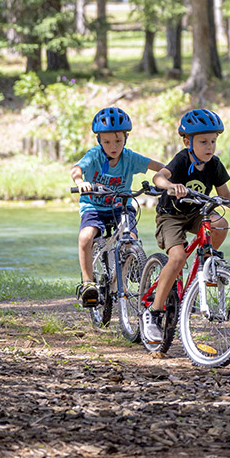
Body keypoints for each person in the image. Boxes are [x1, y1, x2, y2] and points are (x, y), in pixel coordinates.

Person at [142, 108, 230, 343]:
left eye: (213, 141)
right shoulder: (182, 159)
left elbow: (225, 194)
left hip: (197, 213)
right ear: (188, 141)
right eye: (203, 142)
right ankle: (153, 313)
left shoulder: (214, 164)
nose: (210, 147)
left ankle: (204, 266)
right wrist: (170, 186)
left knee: (221, 224)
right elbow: (158, 177)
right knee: (176, 259)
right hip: (171, 216)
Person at [71, 106, 165, 307]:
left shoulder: (129, 158)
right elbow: (77, 169)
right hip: (94, 207)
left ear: (126, 138)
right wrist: (80, 182)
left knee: (131, 240)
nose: (113, 146)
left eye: (118, 141)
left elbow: (158, 167)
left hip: (122, 206)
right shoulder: (94, 156)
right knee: (85, 237)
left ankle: (133, 264)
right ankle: (88, 283)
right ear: (99, 141)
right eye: (106, 142)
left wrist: (168, 179)